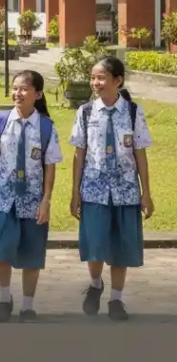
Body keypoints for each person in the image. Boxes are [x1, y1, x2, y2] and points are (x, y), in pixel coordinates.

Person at [70, 56, 153, 321]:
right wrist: (75, 192)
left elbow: (139, 154)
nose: (95, 82)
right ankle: (95, 284)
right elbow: (79, 153)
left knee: (121, 248)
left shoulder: (133, 112)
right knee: (94, 245)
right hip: (93, 190)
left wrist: (146, 192)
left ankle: (116, 300)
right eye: (93, 77)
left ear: (117, 81)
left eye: (101, 77)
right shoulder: (85, 112)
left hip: (125, 191)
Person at [0, 70, 61, 323]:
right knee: (1, 252)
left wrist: (46, 200)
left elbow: (50, 166)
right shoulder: (1, 120)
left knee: (31, 254)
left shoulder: (46, 126)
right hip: (3, 198)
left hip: (33, 201)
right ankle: (4, 299)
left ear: (37, 94)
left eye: (24, 89)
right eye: (15, 88)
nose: (18, 93)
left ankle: (27, 306)